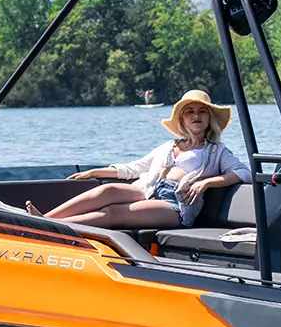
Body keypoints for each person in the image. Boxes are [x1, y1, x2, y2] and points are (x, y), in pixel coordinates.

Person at [35, 90, 251, 230]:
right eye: (190, 111)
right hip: (150, 190)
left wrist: (207, 182)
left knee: (114, 213)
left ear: (209, 118)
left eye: (202, 111)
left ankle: (52, 227)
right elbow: (135, 168)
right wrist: (95, 172)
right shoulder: (169, 146)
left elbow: (244, 173)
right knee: (106, 191)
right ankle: (41, 220)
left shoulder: (216, 152)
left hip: (175, 205)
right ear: (183, 119)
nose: (196, 115)